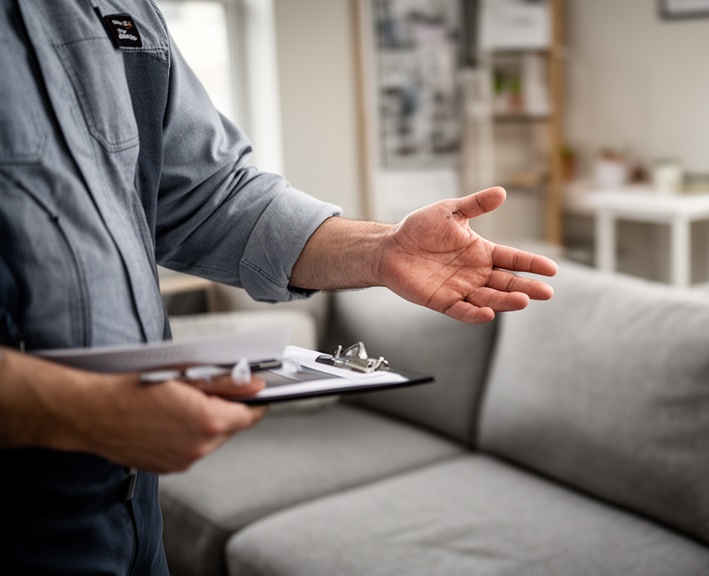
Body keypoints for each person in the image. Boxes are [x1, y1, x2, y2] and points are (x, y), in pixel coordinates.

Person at [0, 1, 557, 574]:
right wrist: (75, 410)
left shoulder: (123, 10)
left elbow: (211, 197)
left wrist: (383, 250)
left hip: (130, 512)